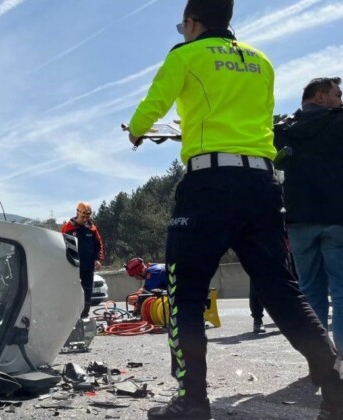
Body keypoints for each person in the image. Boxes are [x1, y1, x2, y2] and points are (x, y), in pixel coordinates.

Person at [125, 1, 343, 419]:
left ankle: (192, 402)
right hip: (261, 185)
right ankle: (335, 387)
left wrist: (137, 131)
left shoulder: (184, 55)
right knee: (282, 288)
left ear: (192, 22)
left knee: (184, 291)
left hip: (208, 185)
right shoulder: (261, 61)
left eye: (182, 25)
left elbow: (149, 109)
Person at [274, 76, 343, 353]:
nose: (341, 100)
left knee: (310, 292)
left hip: (298, 220)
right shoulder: (339, 122)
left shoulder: (283, 129)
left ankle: (318, 358)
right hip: (337, 218)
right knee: (340, 292)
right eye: (337, 95)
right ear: (320, 97)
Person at [61, 201, 104, 319]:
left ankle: (84, 314)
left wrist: (98, 259)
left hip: (88, 265)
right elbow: (60, 244)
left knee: (87, 290)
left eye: (87, 216)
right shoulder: (67, 227)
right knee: (71, 290)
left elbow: (98, 244)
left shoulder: (92, 228)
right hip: (72, 265)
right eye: (83, 216)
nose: (85, 219)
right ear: (78, 213)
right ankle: (70, 316)